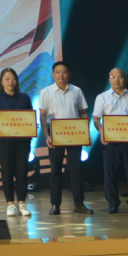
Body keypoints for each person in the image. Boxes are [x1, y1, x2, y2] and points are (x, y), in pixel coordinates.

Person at [93, 67, 128, 214]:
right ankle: (112, 203)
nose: (116, 79)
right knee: (110, 173)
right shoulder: (102, 97)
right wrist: (102, 132)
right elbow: (96, 119)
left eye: (120, 77)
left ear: (125, 79)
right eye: (113, 77)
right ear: (109, 79)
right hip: (111, 141)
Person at [39, 61, 93, 215]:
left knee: (76, 170)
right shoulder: (46, 92)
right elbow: (42, 115)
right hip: (55, 135)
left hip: (75, 134)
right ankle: (55, 205)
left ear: (69, 74)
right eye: (58, 72)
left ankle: (79, 204)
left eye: (64, 72)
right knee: (55, 171)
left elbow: (83, 113)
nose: (61, 75)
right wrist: (47, 135)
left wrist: (86, 134)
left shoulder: (77, 90)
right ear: (53, 74)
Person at [0, 67, 36, 217]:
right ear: (1, 81)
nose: (10, 81)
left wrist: (32, 125)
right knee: (7, 172)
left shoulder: (25, 98)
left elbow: (29, 117)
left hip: (22, 141)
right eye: (7, 78)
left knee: (22, 172)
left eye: (13, 78)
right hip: (4, 141)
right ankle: (10, 204)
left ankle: (22, 203)